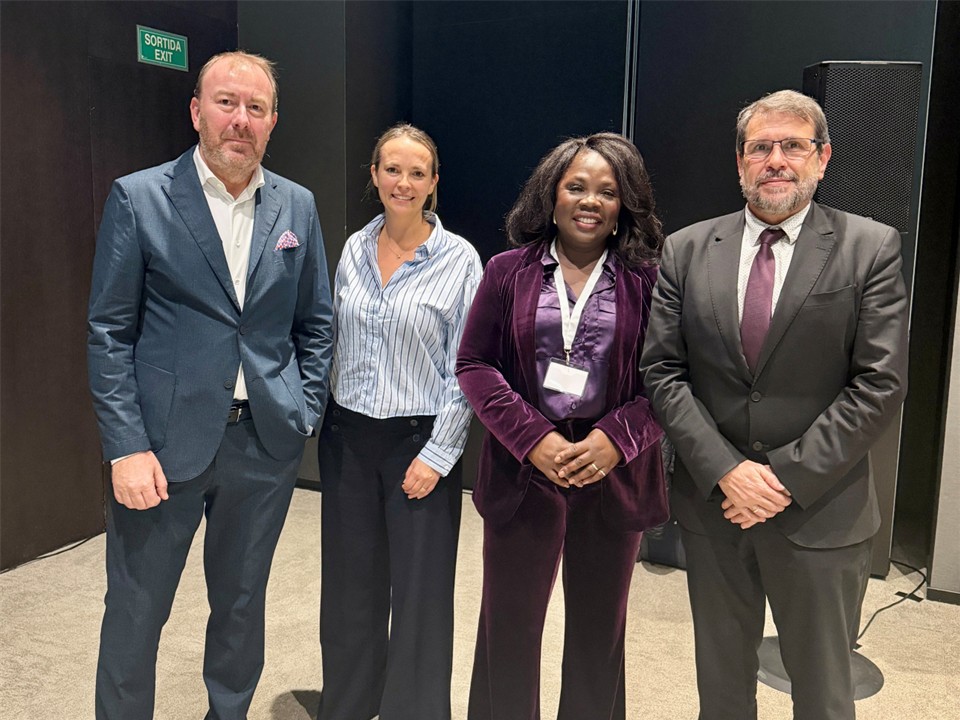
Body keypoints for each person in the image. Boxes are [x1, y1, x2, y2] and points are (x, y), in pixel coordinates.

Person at [640, 89, 909, 720]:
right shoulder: (685, 250)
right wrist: (727, 471)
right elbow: (662, 371)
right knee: (723, 687)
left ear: (823, 158)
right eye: (761, 147)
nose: (776, 160)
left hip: (820, 513)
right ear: (739, 163)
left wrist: (783, 477)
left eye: (793, 145)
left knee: (821, 691)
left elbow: (879, 384)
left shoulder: (869, 248)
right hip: (716, 509)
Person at [87, 51, 333, 720]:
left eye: (256, 108)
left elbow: (316, 322)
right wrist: (125, 447)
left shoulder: (297, 206)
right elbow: (109, 333)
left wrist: (302, 409)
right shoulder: (139, 198)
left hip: (263, 447)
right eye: (227, 102)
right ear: (196, 111)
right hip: (160, 450)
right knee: (137, 611)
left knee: (241, 606)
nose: (240, 120)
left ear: (273, 122)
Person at [456, 132, 668, 720]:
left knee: (600, 636)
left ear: (625, 202)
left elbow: (669, 379)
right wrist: (534, 440)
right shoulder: (506, 271)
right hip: (524, 477)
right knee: (509, 629)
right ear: (550, 196)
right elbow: (474, 364)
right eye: (576, 186)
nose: (590, 200)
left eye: (607, 190)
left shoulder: (649, 279)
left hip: (613, 478)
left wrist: (614, 441)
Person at [317, 123, 482, 720]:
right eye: (392, 169)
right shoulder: (353, 249)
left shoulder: (460, 259)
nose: (403, 182)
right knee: (349, 592)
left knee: (420, 597)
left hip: (420, 443)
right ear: (374, 175)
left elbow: (468, 366)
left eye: (417, 172)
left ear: (434, 182)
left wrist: (438, 455)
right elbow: (332, 341)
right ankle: (349, 707)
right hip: (348, 441)